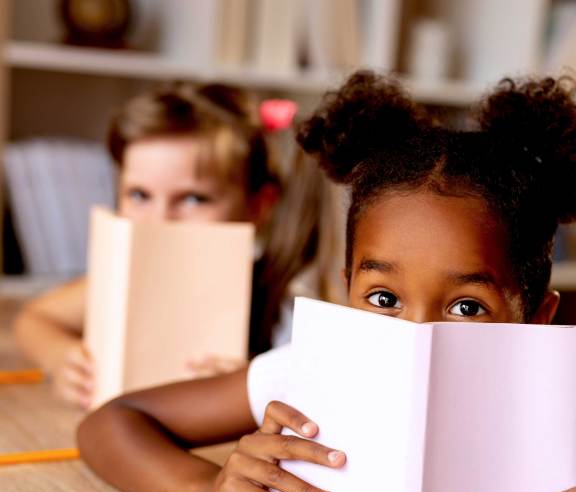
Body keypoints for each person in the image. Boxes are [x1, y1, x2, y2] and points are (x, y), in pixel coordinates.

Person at [78, 72, 576, 492]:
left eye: (466, 306)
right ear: (346, 289)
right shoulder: (304, 380)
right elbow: (112, 424)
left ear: (536, 319)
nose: (417, 336)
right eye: (383, 299)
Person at [13, 82, 343, 408]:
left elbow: (322, 389)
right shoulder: (125, 277)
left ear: (258, 206)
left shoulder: (282, 295)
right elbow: (34, 318)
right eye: (140, 195)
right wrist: (60, 358)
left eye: (192, 198)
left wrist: (254, 380)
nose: (160, 219)